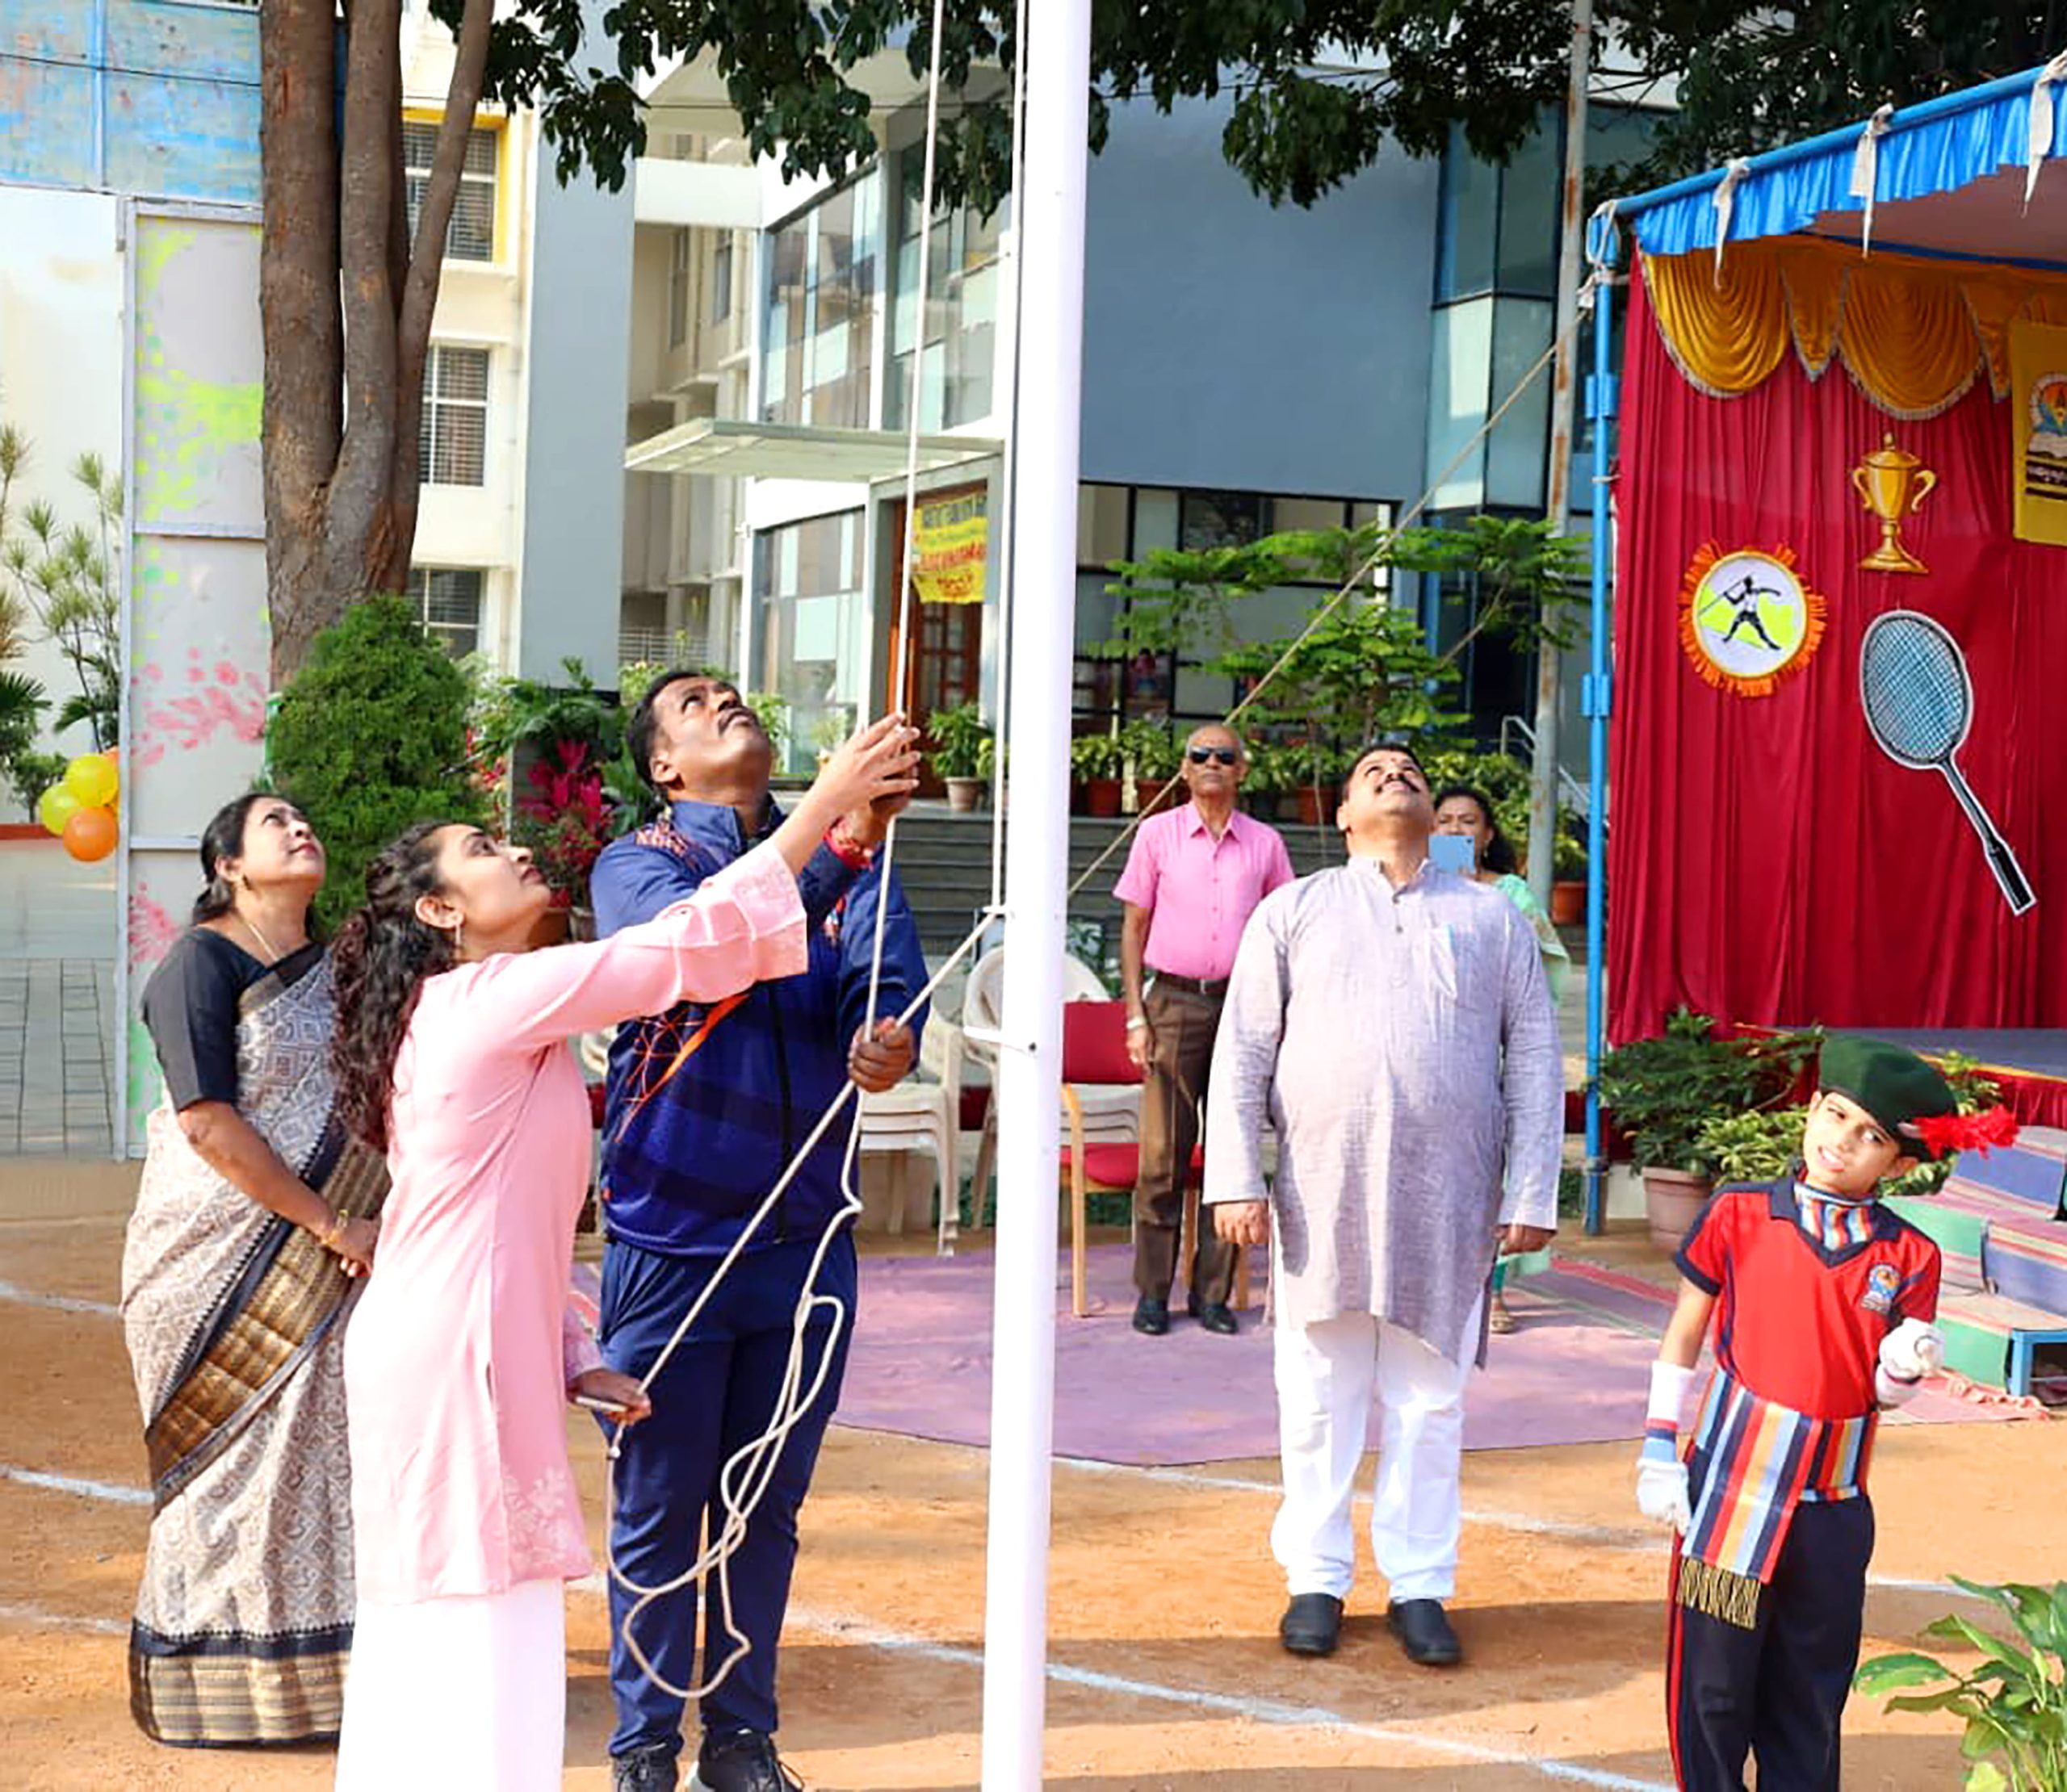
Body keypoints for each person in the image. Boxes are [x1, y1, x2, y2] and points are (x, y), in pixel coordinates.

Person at [324, 717, 919, 1792]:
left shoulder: (500, 1008)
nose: (512, 850)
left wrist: (571, 1351)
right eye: (479, 850)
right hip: (447, 1354)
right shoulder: (489, 1000)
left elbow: (507, 1223)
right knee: (458, 1628)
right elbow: (676, 949)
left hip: (482, 1339)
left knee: (495, 1624)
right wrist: (827, 809)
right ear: (440, 911)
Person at [592, 673, 929, 1792]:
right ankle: (642, 1751)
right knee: (659, 1508)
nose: (725, 703)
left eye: (734, 692)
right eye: (694, 703)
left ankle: (741, 1740)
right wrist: (835, 820)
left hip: (806, 1239)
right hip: (672, 1239)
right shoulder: (634, 863)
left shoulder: (857, 855)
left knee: (764, 1508)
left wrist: (885, 1039)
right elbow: (705, 944)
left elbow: (884, 1002)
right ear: (663, 766)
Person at [1204, 740, 1562, 1668]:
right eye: (1373, 773)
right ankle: (1315, 1579)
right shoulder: (1295, 909)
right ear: (1342, 816)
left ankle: (1419, 1585)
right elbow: (1242, 1051)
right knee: (1319, 1395)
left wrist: (1531, 1189)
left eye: (1409, 771)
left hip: (1448, 1196)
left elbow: (1528, 1057)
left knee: (1427, 1399)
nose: (1395, 778)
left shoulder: (1490, 918)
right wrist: (1237, 1176)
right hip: (1321, 1188)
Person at [1636, 1037, 2000, 1791]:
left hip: (1830, 1517)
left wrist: (1903, 1369)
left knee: (1810, 1690)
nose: (1843, 1141)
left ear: (1900, 1163)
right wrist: (1658, 1447)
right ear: (1812, 1110)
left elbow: (1884, 1393)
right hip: (1729, 1503)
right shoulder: (1737, 1213)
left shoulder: (1911, 1256)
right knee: (1714, 1688)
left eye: (1871, 1135)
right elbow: (1685, 1330)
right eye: (1836, 1116)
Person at [121, 793, 384, 1746]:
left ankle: (324, 1688)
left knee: (319, 1458)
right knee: (228, 1467)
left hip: (332, 1245)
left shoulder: (340, 971)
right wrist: (325, 1221)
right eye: (275, 822)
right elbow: (207, 1120)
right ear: (228, 864)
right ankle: (210, 1688)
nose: (302, 827)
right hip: (214, 1257)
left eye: (308, 819)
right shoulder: (200, 963)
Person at [1113, 723, 1294, 1337]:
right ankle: (1152, 1294)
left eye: (1225, 755)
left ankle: (1214, 1295)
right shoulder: (1157, 836)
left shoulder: (1266, 844)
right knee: (1162, 1157)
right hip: (1171, 1002)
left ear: (1243, 770)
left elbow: (1284, 931)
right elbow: (1133, 928)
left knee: (1233, 1153)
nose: (1212, 763)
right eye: (1200, 756)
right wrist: (1135, 1013)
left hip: (1245, 1009)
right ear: (1185, 771)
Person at [1432, 784, 1572, 1334]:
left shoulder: (1509, 893)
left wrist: (1473, 900)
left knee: (1489, 1175)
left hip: (1489, 1052)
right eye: (1443, 821)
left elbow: (1541, 967)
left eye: (1468, 821)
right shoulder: (1410, 891)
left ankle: (1489, 1291)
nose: (1455, 831)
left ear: (1487, 835)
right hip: (1429, 1052)